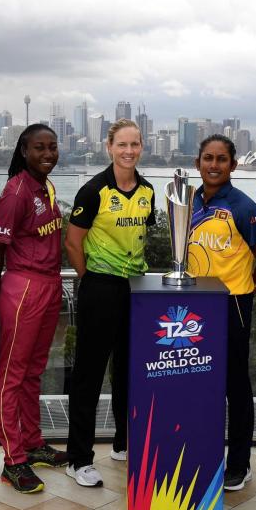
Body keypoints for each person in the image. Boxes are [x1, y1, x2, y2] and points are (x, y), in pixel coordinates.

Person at [65, 118, 155, 487]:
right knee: (89, 373)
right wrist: (91, 279)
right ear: (109, 147)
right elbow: (72, 242)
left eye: (135, 144)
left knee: (129, 370)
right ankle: (79, 458)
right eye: (122, 145)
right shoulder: (93, 190)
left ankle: (124, 442)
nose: (129, 151)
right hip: (100, 287)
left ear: (141, 147)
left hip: (135, 288)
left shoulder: (148, 190)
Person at [188, 134, 256, 491]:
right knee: (198, 384)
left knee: (234, 386)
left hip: (232, 305)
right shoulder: (189, 200)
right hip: (193, 305)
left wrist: (246, 287)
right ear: (198, 163)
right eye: (207, 158)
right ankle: (199, 454)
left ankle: (239, 463)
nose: (213, 165)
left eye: (221, 159)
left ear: (233, 165)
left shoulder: (245, 208)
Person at [0, 124, 69, 494]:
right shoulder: (16, 192)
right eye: (39, 148)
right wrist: (3, 294)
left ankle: (33, 444)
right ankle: (13, 460)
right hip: (24, 287)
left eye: (52, 147)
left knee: (34, 370)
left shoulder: (46, 186)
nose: (47, 154)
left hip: (50, 285)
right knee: (11, 376)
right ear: (23, 150)